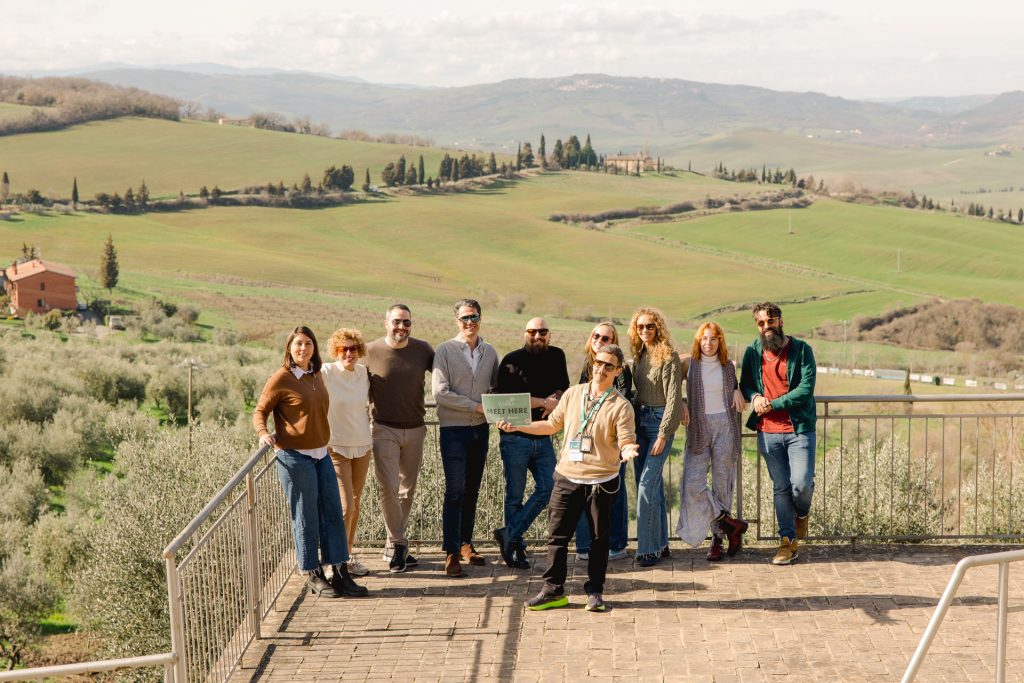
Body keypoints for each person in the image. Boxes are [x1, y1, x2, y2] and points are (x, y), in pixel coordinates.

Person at [497, 344, 639, 613]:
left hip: (601, 482)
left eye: (609, 366)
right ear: (591, 363)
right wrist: (517, 425)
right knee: (557, 538)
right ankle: (553, 591)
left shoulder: (621, 405)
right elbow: (552, 425)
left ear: (618, 371)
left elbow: (625, 438)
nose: (601, 369)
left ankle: (595, 592)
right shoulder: (574, 394)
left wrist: (628, 448)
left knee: (599, 541)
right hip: (566, 477)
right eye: (598, 363)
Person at [253, 326, 368, 598]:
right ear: (289, 349)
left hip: (321, 454)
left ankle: (340, 572)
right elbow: (261, 410)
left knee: (333, 514)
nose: (302, 349)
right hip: (294, 457)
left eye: (307, 344)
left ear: (313, 348)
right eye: (298, 345)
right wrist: (262, 434)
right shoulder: (281, 378)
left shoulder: (315, 375)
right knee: (305, 517)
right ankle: (313, 574)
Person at [739, 302, 817, 566]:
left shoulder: (802, 350)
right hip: (767, 431)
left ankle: (802, 514)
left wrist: (774, 403)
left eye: (770, 321)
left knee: (802, 484)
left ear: (780, 321)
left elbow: (805, 389)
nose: (766, 327)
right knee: (781, 487)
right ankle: (787, 541)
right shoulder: (753, 350)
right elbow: (746, 383)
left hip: (799, 429)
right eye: (761, 323)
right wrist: (755, 396)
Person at [493, 316, 570, 569]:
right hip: (514, 437)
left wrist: (556, 399)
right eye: (533, 332)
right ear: (525, 333)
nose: (538, 336)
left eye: (543, 332)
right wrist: (541, 402)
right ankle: (516, 550)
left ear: (549, 334)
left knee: (550, 487)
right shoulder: (511, 361)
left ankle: (509, 533)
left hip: (543, 436)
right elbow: (506, 401)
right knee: (514, 496)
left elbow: (563, 387)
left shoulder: (557, 355)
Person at [365, 304, 434, 574]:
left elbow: (446, 375)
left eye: (406, 323)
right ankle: (398, 543)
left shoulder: (423, 350)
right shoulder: (370, 351)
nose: (401, 327)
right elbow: (347, 376)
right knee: (388, 487)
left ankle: (393, 545)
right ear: (385, 323)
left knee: (407, 490)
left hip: (416, 427)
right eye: (396, 322)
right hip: (383, 428)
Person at [432, 298, 499, 577]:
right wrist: (475, 406)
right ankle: (450, 552)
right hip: (454, 431)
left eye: (473, 318)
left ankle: (465, 544)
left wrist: (496, 408)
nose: (469, 323)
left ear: (480, 319)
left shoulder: (490, 351)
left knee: (472, 489)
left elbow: (496, 389)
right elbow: (439, 393)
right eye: (464, 319)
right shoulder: (445, 350)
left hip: (480, 430)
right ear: (456, 321)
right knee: (455, 491)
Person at [675, 322, 748, 561]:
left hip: (725, 426)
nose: (709, 343)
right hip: (698, 426)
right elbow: (672, 383)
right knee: (693, 484)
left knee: (722, 483)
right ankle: (730, 523)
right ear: (698, 340)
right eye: (704, 338)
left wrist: (738, 389)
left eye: (714, 339)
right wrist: (682, 403)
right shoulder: (689, 364)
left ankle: (717, 539)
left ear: (720, 341)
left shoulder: (728, 366)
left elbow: (738, 386)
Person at [628, 307, 687, 567]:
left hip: (658, 424)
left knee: (645, 486)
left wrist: (664, 434)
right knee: (653, 487)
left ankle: (647, 549)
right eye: (640, 326)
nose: (644, 330)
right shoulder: (638, 356)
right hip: (639, 423)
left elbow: (674, 399)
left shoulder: (669, 357)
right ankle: (661, 544)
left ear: (658, 327)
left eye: (649, 326)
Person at [573, 321, 633, 562]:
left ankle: (617, 544)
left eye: (606, 338)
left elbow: (622, 401)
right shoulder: (587, 366)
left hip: (613, 440)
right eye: (596, 335)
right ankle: (583, 546)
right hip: (586, 440)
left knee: (614, 491)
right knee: (581, 490)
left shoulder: (621, 370)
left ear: (614, 342)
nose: (600, 339)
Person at [321, 327, 373, 577]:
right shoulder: (326, 372)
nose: (348, 353)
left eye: (353, 348)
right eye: (343, 349)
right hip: (336, 446)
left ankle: (348, 556)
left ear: (360, 350)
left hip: (363, 445)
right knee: (344, 507)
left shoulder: (364, 373)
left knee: (356, 505)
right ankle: (335, 560)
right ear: (335, 351)